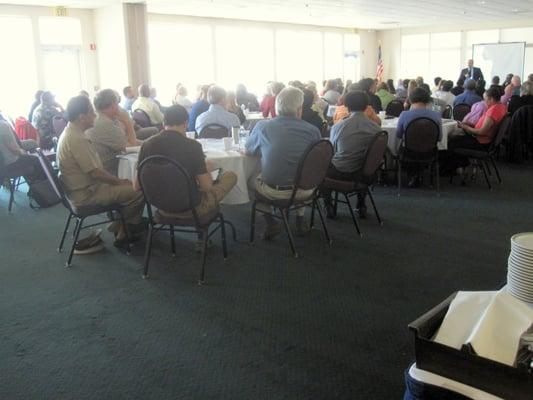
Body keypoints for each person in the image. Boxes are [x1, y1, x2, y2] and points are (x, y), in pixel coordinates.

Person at [56, 95, 145, 244]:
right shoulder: (77, 139)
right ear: (82, 117)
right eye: (92, 112)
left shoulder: (69, 133)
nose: (95, 115)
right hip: (87, 194)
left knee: (129, 185)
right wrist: (119, 182)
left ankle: (121, 222)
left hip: (81, 189)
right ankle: (124, 229)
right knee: (139, 190)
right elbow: (95, 172)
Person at [134, 105, 237, 227]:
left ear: (163, 122)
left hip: (160, 207)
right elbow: (207, 187)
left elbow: (136, 186)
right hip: (191, 209)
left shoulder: (147, 145)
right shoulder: (193, 146)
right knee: (230, 176)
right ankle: (203, 232)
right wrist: (206, 169)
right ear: (185, 123)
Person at [244, 87, 321, 239]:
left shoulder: (263, 127)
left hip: (276, 191)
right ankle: (300, 219)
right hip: (308, 189)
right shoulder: (313, 131)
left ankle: (270, 221)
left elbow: (249, 151)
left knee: (249, 180)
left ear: (277, 107)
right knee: (301, 172)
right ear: (300, 109)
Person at [324, 91, 382, 219]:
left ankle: (328, 205)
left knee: (321, 169)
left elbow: (333, 151)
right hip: (366, 175)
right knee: (363, 162)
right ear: (367, 106)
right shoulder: (377, 129)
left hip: (341, 172)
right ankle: (361, 204)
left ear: (346, 106)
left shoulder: (338, 127)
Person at [444, 87, 507, 172]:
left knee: (450, 142)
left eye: (485, 100)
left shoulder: (493, 111)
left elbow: (481, 132)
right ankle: (460, 165)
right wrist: (470, 125)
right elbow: (485, 127)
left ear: (491, 99)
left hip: (481, 143)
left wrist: (465, 127)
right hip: (485, 141)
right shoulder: (501, 107)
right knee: (456, 139)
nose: (484, 102)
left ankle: (451, 169)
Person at [86, 89, 141, 175]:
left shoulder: (101, 117)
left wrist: (149, 142)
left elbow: (126, 139)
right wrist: (127, 122)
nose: (119, 107)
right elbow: (132, 146)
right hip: (109, 169)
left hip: (106, 162)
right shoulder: (104, 123)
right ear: (112, 105)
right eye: (117, 103)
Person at [397, 88, 442, 187]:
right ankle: (420, 174)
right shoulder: (436, 115)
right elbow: (439, 138)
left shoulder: (404, 115)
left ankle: (412, 175)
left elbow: (398, 135)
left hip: (408, 153)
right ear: (427, 100)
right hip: (430, 153)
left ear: (410, 99)